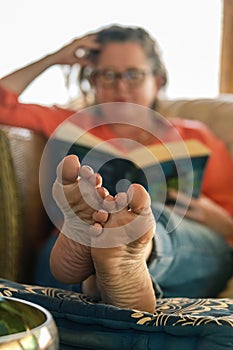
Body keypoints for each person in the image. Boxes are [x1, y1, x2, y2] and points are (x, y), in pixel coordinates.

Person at [0, 25, 233, 312]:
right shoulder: (72, 123)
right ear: (92, 80)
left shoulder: (195, 137)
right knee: (75, 242)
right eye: (108, 75)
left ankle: (130, 252)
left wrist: (226, 223)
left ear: (157, 81)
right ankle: (104, 258)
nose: (121, 87)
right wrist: (54, 58)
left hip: (184, 242)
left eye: (133, 75)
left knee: (158, 224)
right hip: (74, 244)